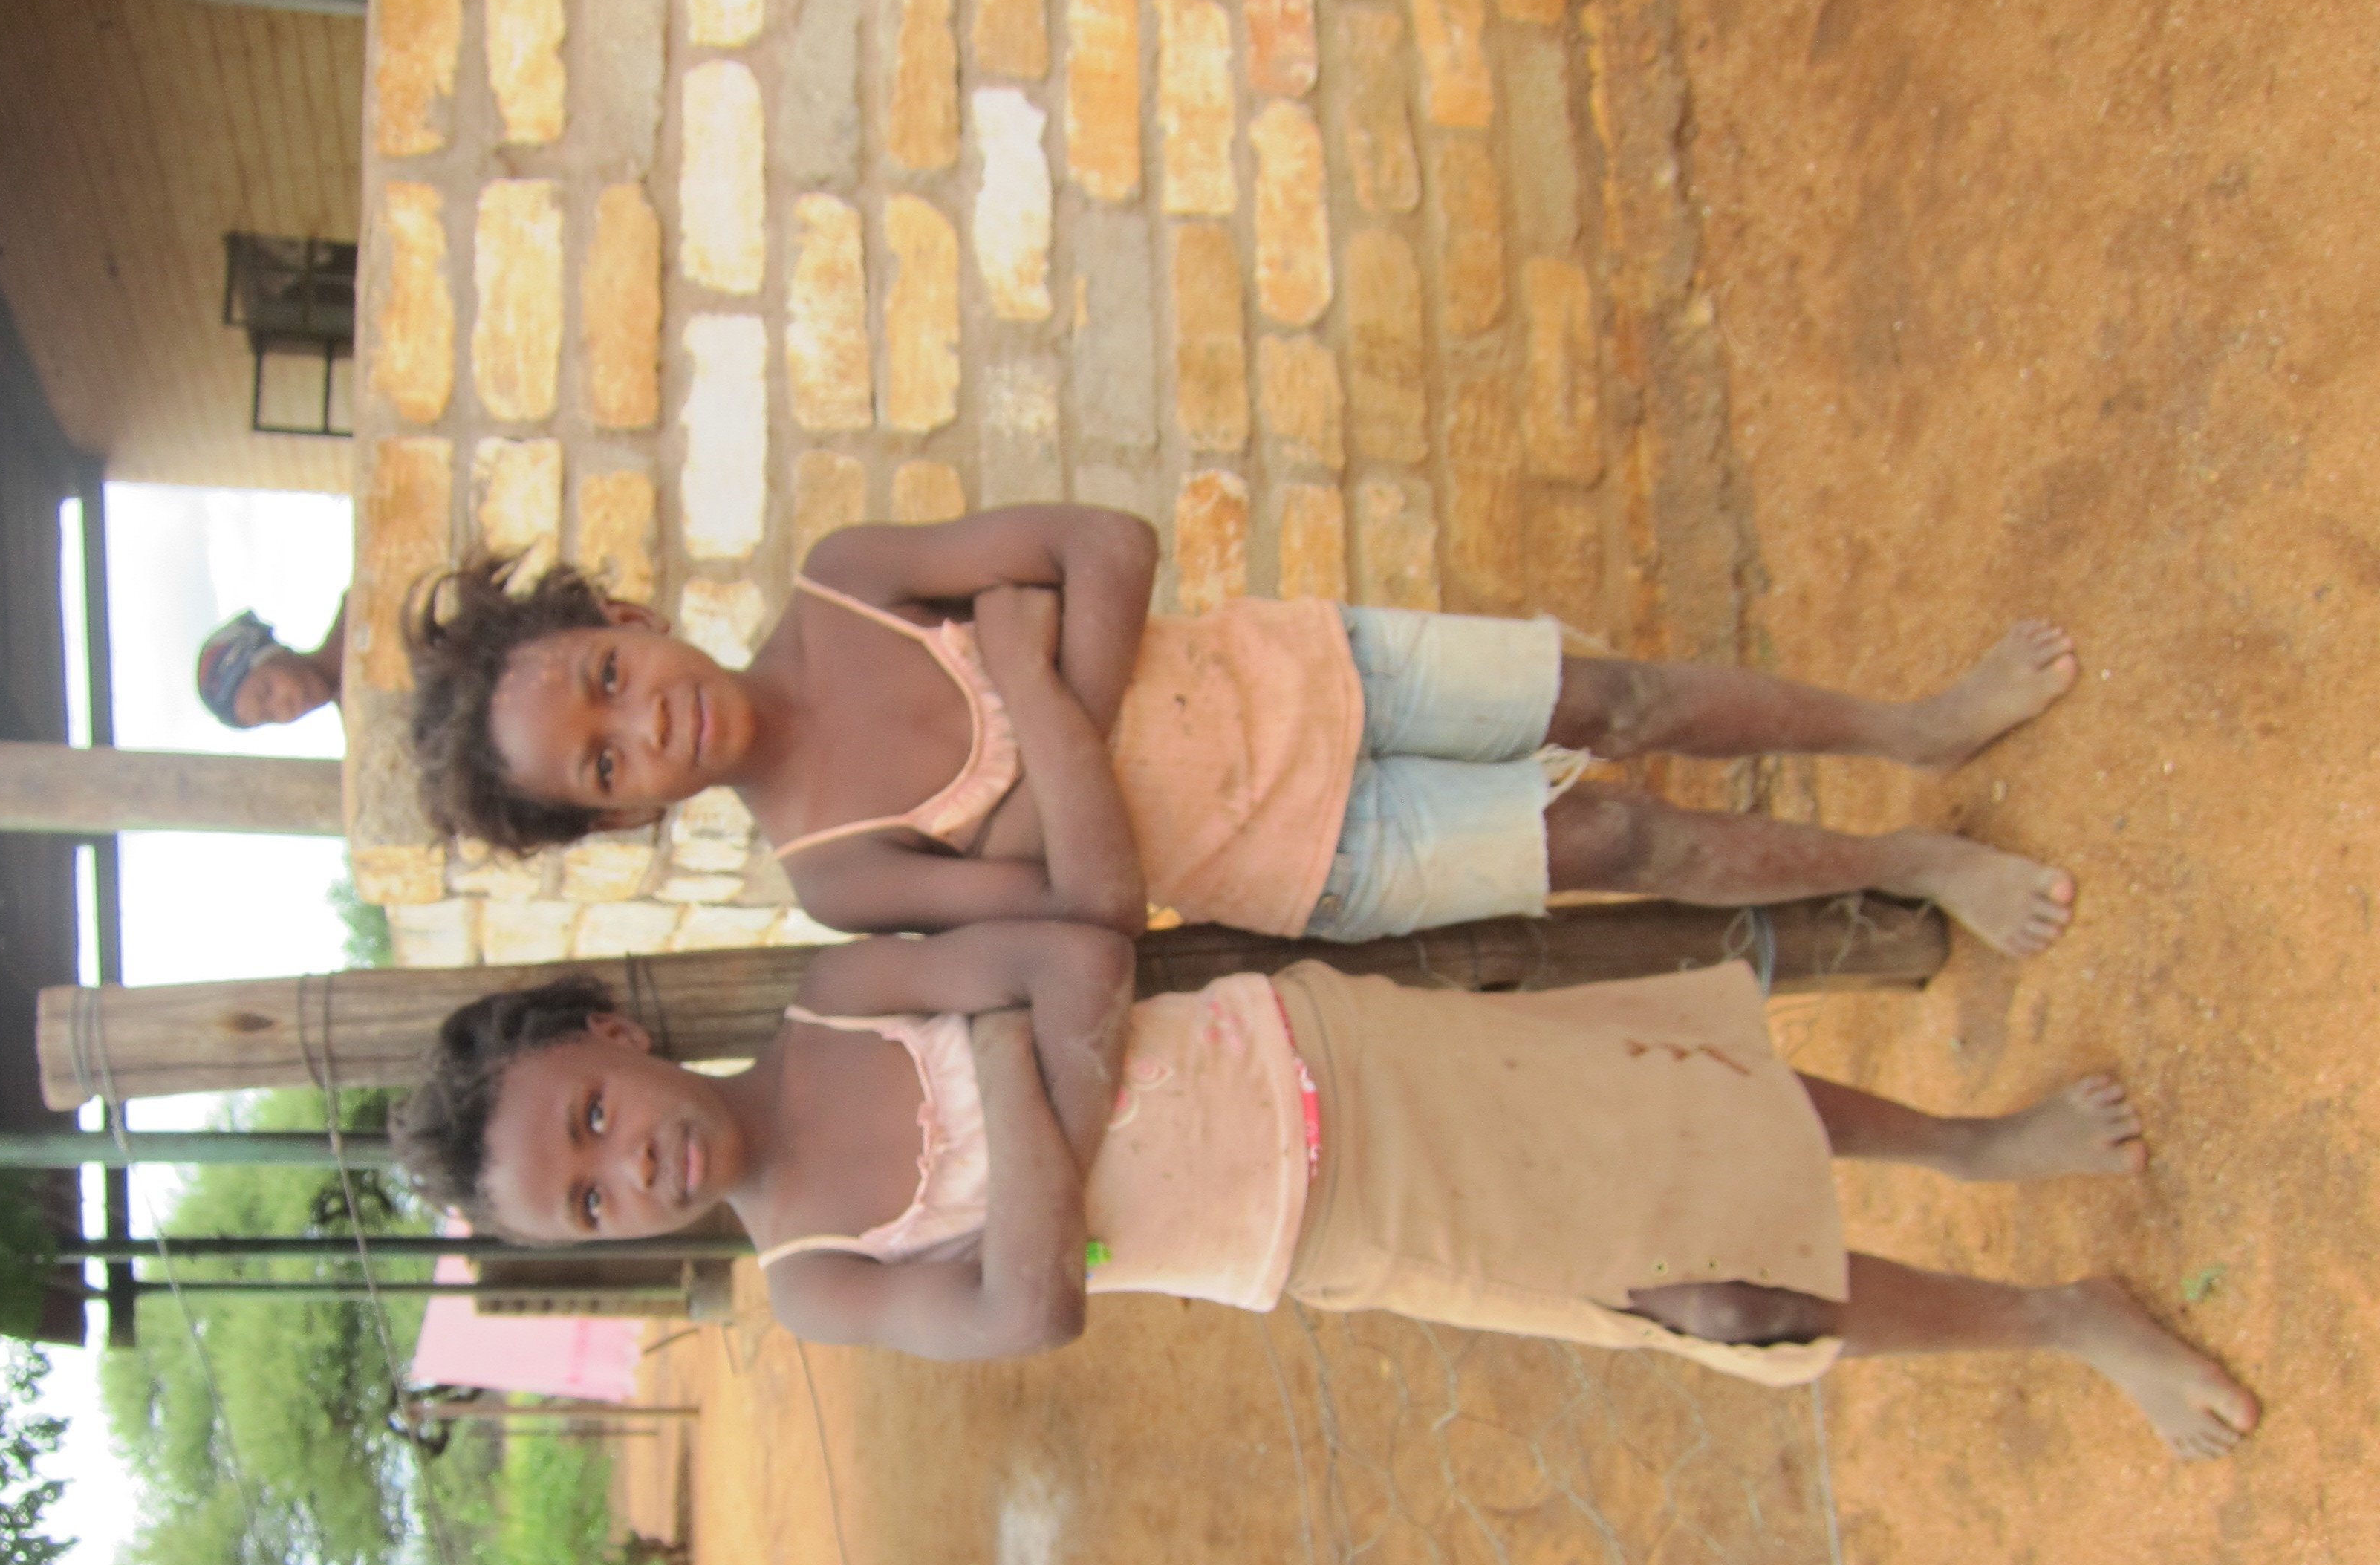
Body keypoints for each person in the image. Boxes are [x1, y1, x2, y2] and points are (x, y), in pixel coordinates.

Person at [387, 804, 2254, 1456]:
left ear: (613, 1034)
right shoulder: (809, 1278)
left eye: (593, 1116)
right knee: (1719, 1295)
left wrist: (1027, 1051)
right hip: (1342, 1225)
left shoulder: (838, 986)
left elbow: (1081, 946)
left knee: (1672, 1087)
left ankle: (1965, 1144)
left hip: (1336, 1050)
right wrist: (1026, 1050)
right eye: (585, 1197)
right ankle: (2062, 1321)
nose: (629, 1165)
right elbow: (1033, 1301)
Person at [403, 507, 2081, 957]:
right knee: (1620, 840)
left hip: (1313, 669)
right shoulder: (838, 871)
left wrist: (1037, 784)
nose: (646, 723)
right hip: (1310, 854)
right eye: (605, 765)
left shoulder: (844, 584)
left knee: (1615, 693)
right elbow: (1098, 905)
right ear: (622, 821)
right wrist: (1038, 664)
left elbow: (1112, 543)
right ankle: (1909, 862)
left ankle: (1913, 726)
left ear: (621, 616)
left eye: (605, 679)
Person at [195, 595, 347, 729]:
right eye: (269, 717)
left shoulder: (363, 603)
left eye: (267, 691)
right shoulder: (363, 737)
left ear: (272, 654)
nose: (285, 711)